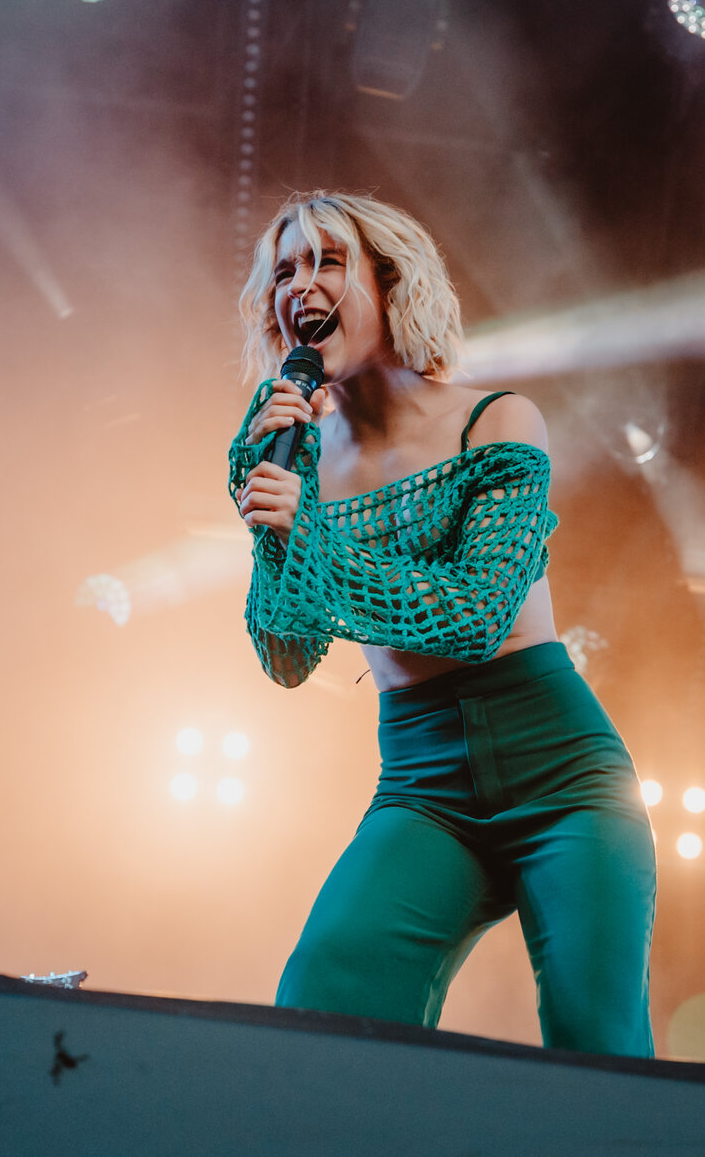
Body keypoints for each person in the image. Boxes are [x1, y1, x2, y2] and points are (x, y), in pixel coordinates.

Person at [229, 191, 656, 1056]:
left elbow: (476, 616)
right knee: (322, 995)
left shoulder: (496, 420)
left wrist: (309, 535)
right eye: (284, 271)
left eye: (328, 261)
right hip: (424, 785)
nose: (300, 285)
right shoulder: (297, 457)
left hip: (562, 774)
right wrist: (275, 522)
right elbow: (287, 653)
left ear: (390, 283)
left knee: (593, 1038)